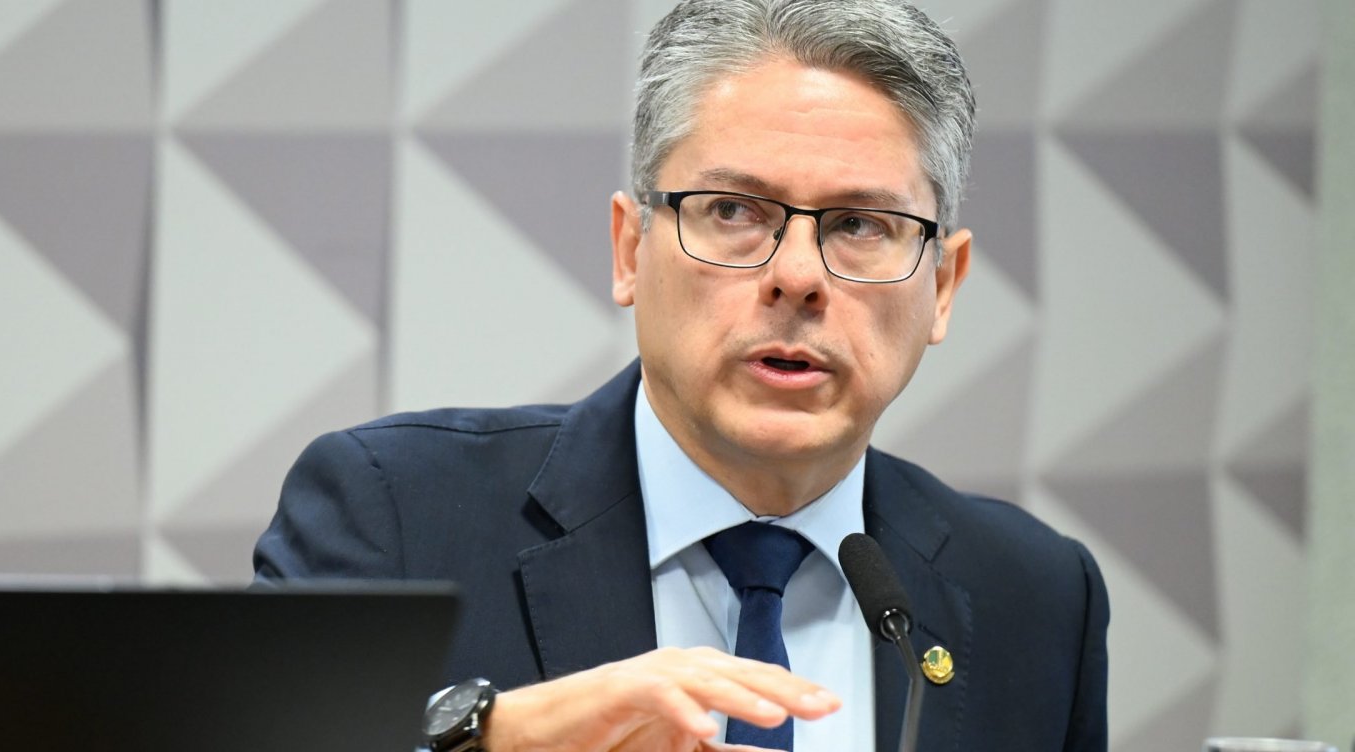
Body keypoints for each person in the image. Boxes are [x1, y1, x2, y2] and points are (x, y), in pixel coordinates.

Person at [254, 0, 1109, 750]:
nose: (797, 276)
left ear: (943, 287)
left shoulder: (1036, 596)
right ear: (630, 249)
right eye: (733, 211)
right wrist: (488, 745)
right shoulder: (396, 515)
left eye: (859, 224)